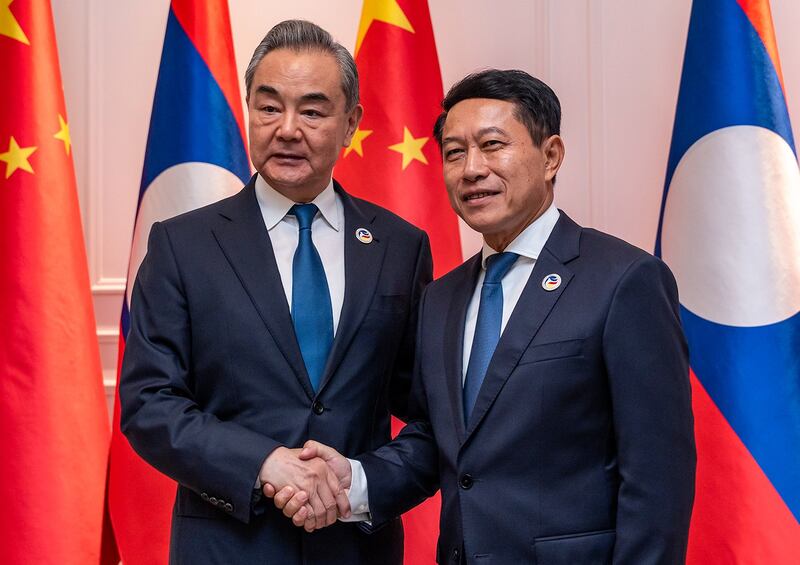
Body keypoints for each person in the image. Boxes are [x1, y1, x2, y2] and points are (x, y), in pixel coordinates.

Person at [272, 69, 697, 564]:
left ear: (551, 156)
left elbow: (658, 475)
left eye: (493, 145)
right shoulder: (441, 299)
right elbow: (442, 442)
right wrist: (357, 481)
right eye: (454, 152)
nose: (472, 169)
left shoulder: (624, 281)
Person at [119, 20, 432, 565]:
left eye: (312, 111)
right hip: (226, 545)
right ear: (247, 112)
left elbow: (432, 415)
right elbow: (149, 403)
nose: (287, 129)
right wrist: (264, 463)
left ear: (351, 123)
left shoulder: (400, 247)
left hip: (356, 548)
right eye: (269, 107)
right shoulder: (181, 244)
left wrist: (359, 483)